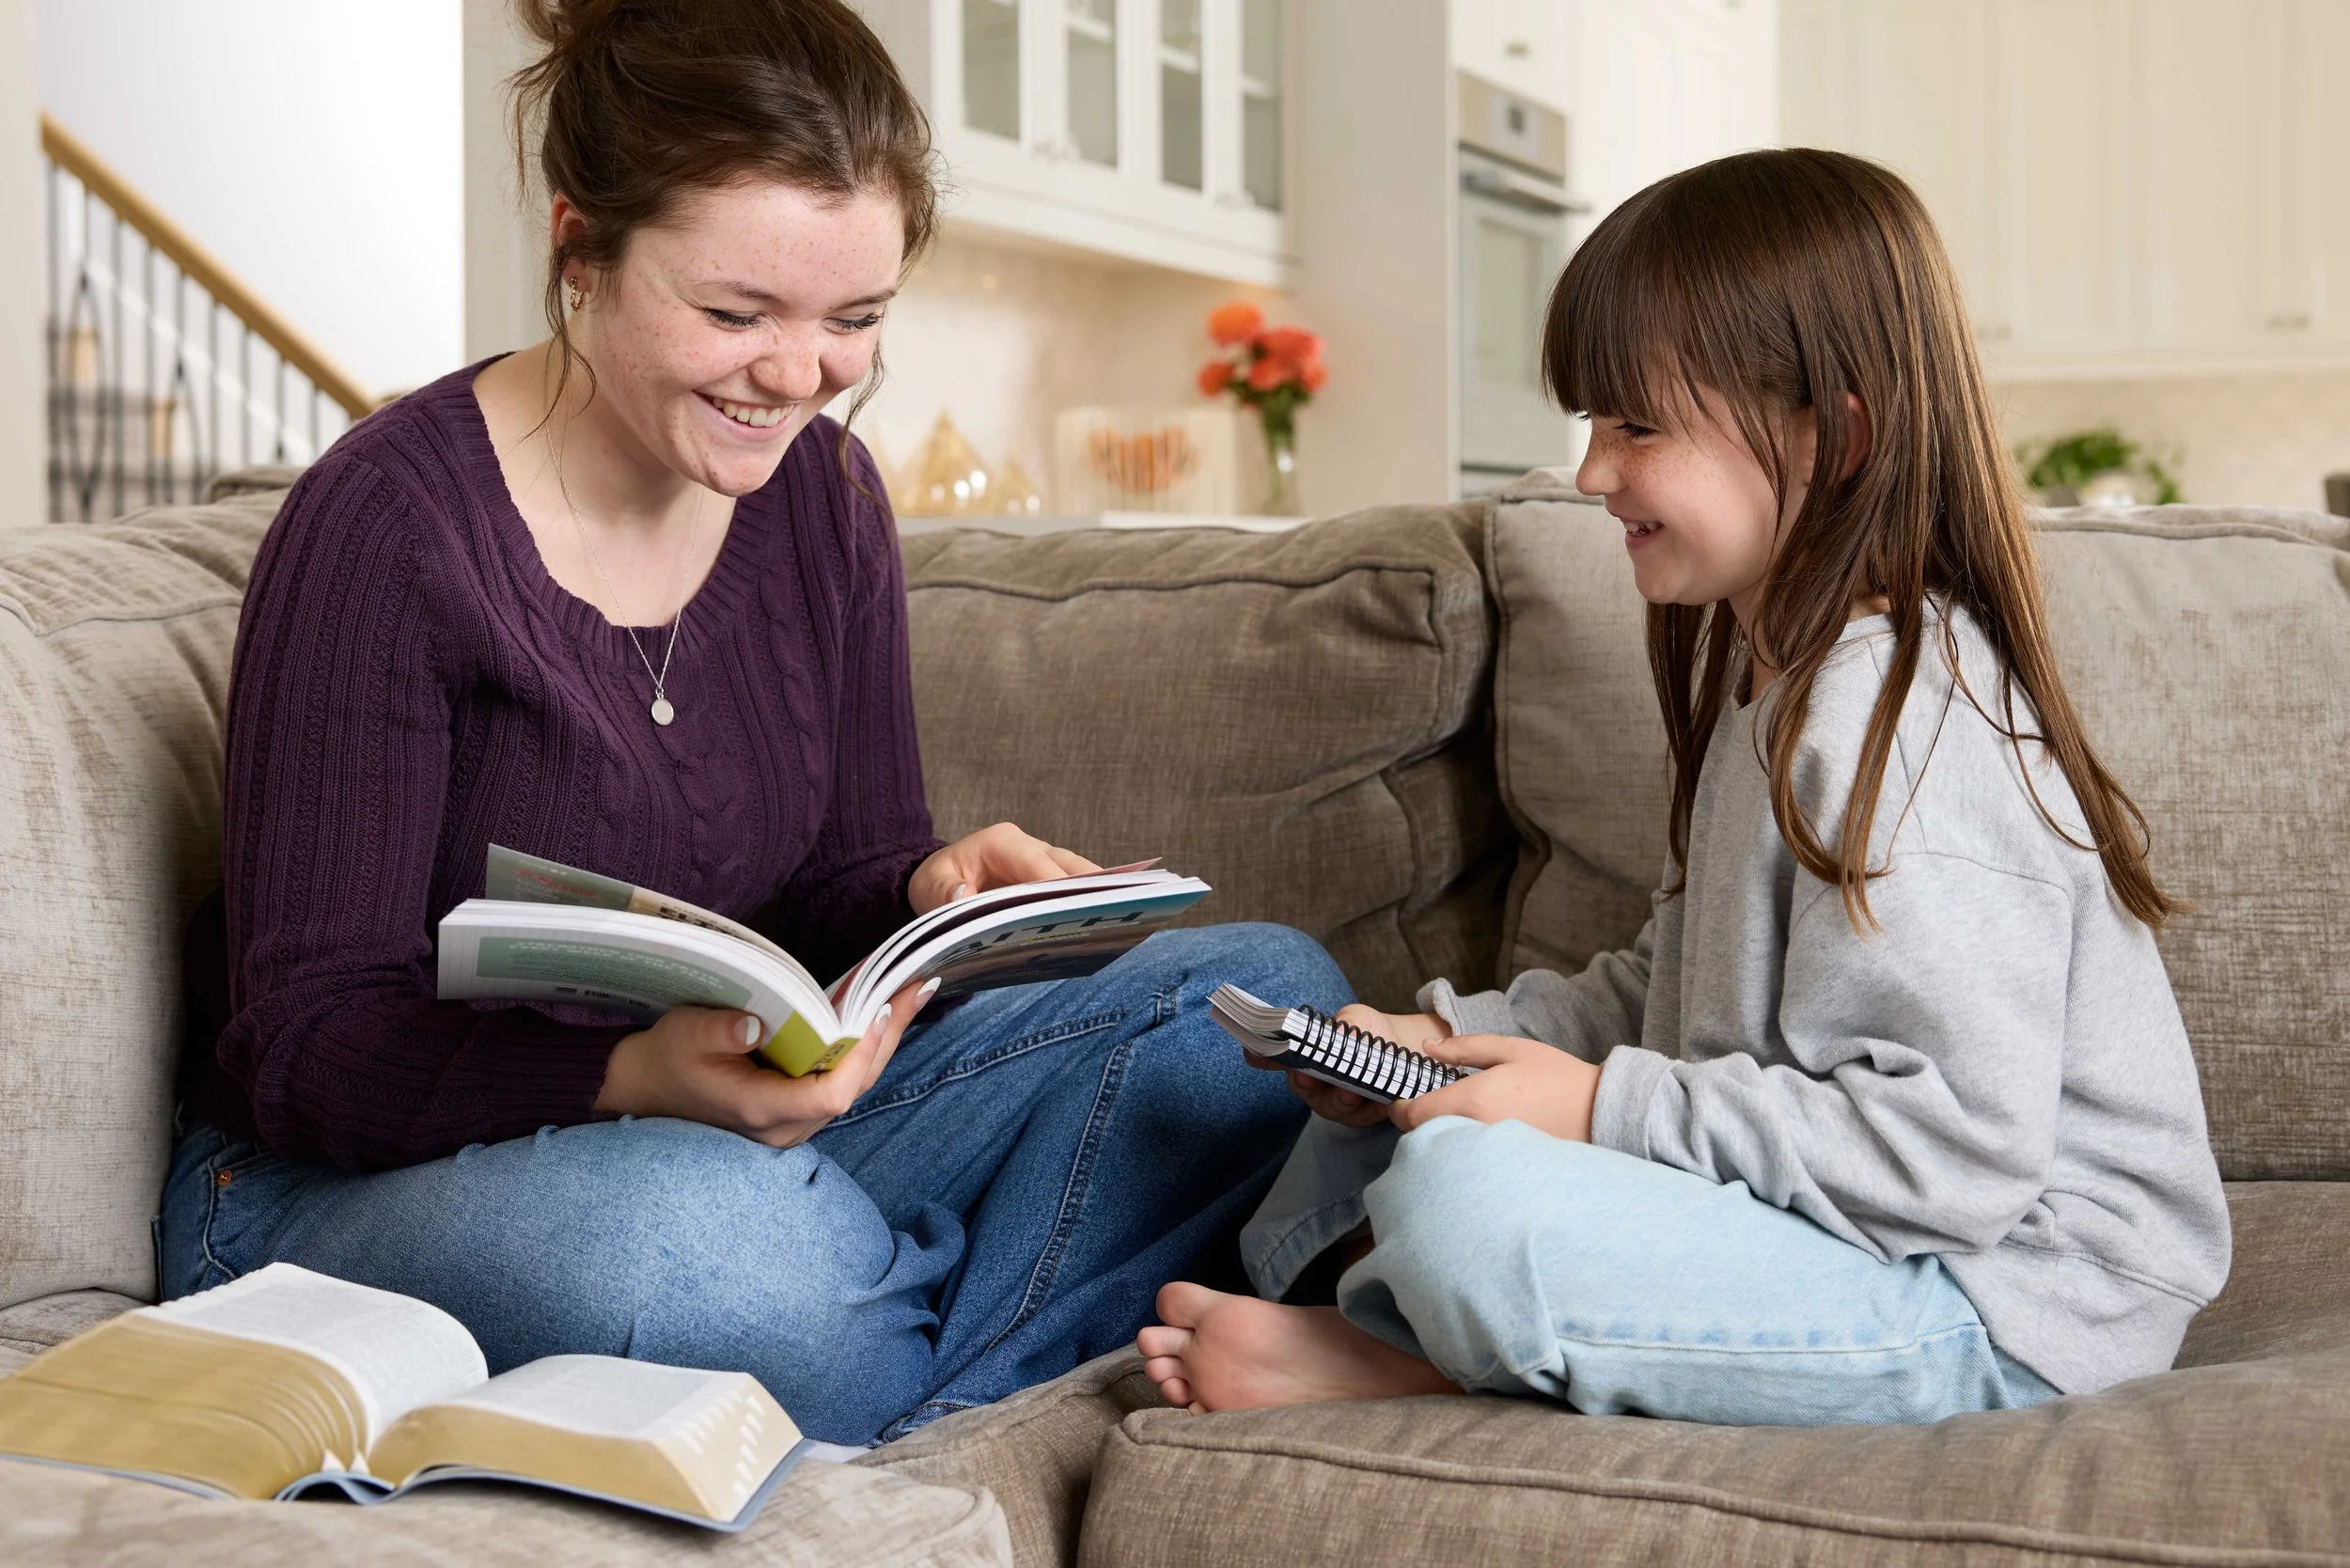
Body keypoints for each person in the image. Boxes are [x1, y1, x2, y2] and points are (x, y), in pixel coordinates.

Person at [162, 0, 1343, 1448]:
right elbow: (303, 1043)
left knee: (1254, 1009)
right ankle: (931, 1343)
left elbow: (832, 887)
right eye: (736, 315)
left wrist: (925, 892)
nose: (800, 377)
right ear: (577, 245)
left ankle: (882, 1355)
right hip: (339, 1185)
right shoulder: (389, 525)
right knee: (717, 1256)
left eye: (855, 320)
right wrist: (626, 1077)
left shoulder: (824, 506)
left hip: (720, 1128)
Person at [1139, 149, 2231, 1427]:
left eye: (1634, 424)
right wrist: (1454, 1042)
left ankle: (1405, 1354)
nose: (1593, 472)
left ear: (1835, 433)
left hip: (2002, 1299)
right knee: (1377, 1121)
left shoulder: (1906, 721)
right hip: (1863, 1231)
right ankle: (1401, 1316)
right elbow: (1676, 993)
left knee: (1463, 1200)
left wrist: (1597, 1109)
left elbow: (1950, 1154)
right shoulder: (1777, 686)